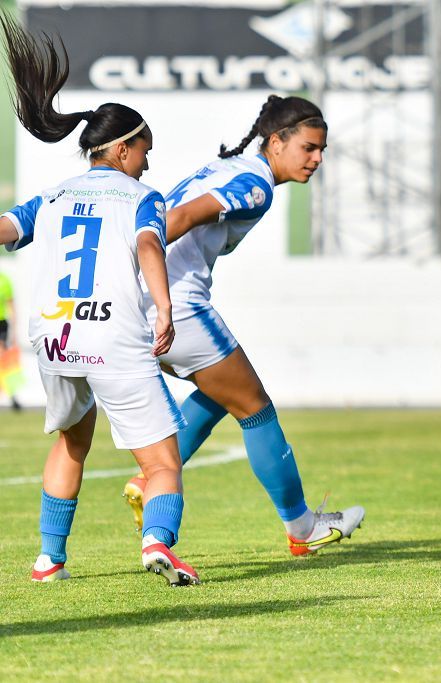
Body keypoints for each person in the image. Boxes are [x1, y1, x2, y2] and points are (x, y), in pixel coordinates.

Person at [0, 13, 198, 585]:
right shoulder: (142, 197)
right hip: (113, 335)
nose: (148, 161)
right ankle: (157, 543)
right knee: (161, 462)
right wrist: (163, 308)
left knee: (72, 440)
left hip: (55, 337)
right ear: (122, 148)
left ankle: (48, 559)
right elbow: (148, 248)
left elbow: (8, 229)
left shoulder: (53, 194)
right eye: (144, 149)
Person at [121, 94, 365, 556]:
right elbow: (181, 218)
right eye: (309, 148)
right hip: (177, 307)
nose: (316, 160)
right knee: (256, 409)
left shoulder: (225, 168)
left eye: (322, 151)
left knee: (221, 395)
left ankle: (146, 479)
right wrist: (132, 262)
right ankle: (303, 527)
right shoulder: (256, 185)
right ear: (276, 141)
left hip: (139, 308)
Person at [0, 267, 23, 410]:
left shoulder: (4, 280)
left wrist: (14, 333)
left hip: (1, 324)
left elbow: (11, 307)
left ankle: (13, 395)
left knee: (5, 360)